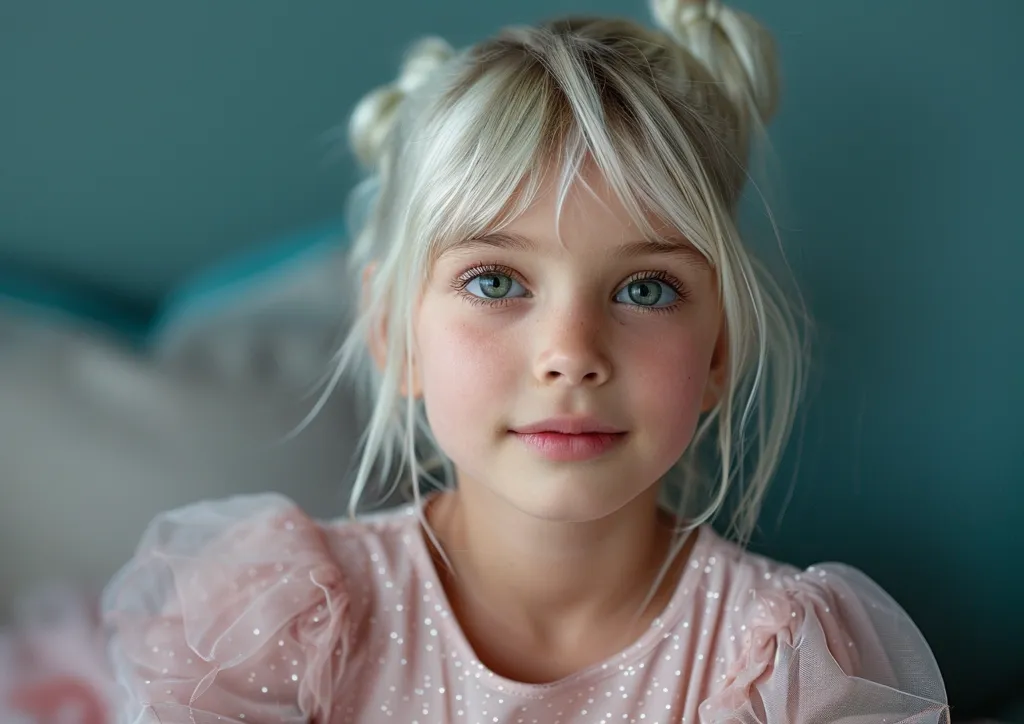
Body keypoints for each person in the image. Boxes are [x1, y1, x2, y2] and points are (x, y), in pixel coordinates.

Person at [102, 0, 950, 721]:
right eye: (496, 281)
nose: (571, 355)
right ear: (394, 333)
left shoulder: (782, 668)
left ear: (720, 347)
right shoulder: (278, 626)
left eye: (645, 288)